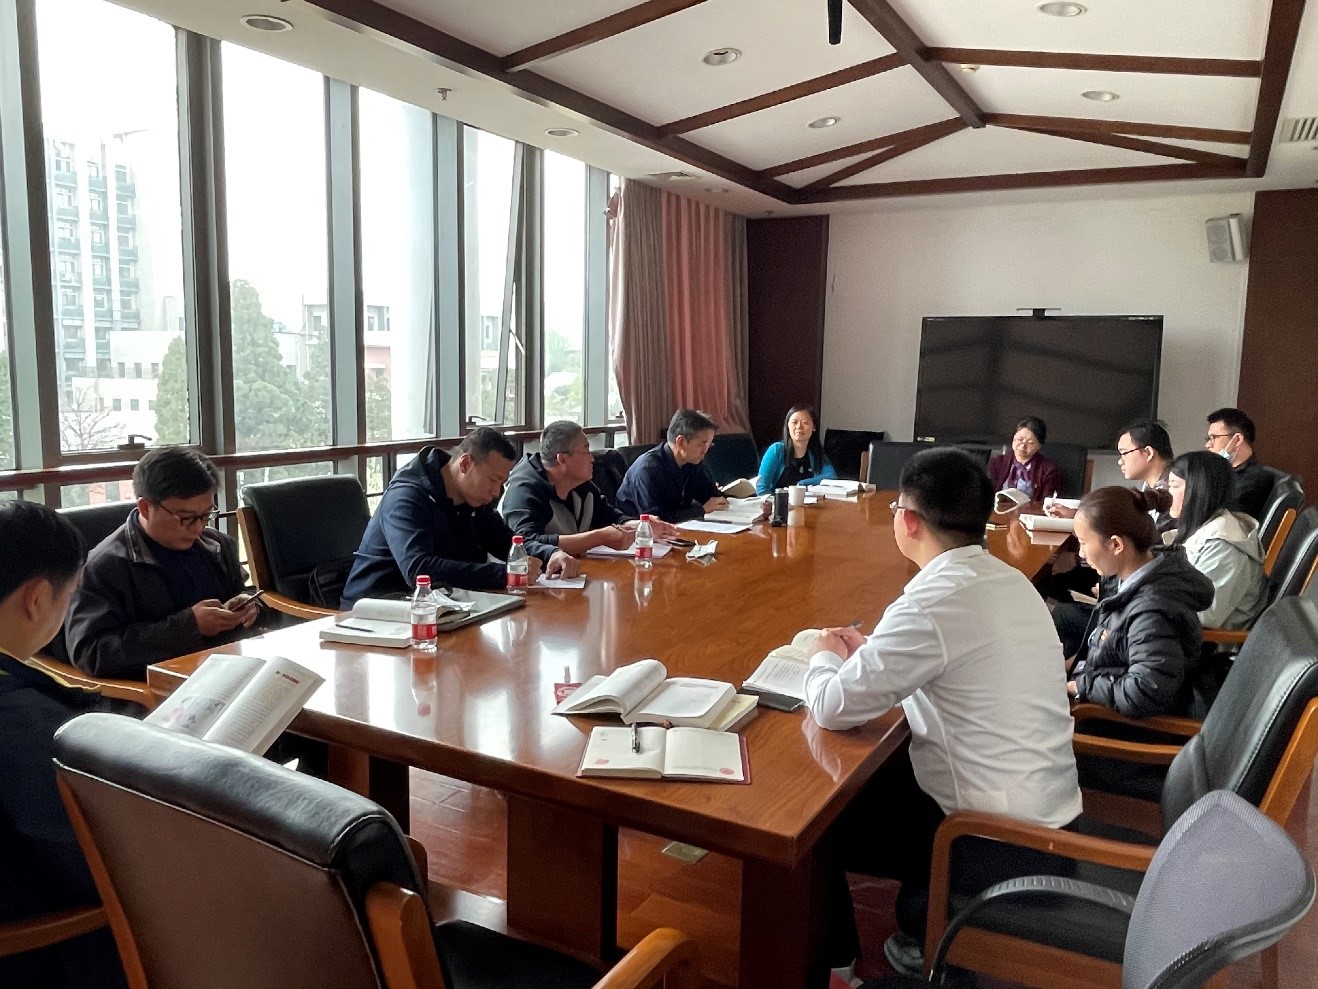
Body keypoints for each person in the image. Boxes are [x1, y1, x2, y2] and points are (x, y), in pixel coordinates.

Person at [803, 448, 1081, 978]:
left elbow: (832, 707)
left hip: (991, 839)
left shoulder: (930, 603)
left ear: (909, 521)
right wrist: (874, 653)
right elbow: (953, 658)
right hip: (1047, 813)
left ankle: (836, 969)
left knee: (816, 825)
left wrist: (822, 656)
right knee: (868, 784)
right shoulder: (1007, 580)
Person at [0, 502, 127, 989]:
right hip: (45, 950)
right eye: (70, 595)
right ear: (36, 599)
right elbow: (99, 856)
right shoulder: (24, 726)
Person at [65, 447, 264, 681]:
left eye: (206, 515)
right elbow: (92, 653)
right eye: (186, 518)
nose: (198, 528)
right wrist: (189, 627)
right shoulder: (104, 568)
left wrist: (250, 605)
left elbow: (246, 594)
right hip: (158, 689)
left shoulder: (217, 546)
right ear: (145, 508)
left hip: (228, 673)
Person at [342, 427, 577, 606]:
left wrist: (552, 554)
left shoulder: (474, 499)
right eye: (493, 480)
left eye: (502, 483)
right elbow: (419, 569)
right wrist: (505, 574)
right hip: (377, 610)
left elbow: (508, 542)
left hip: (442, 606)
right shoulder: (406, 497)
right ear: (465, 464)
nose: (497, 492)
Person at [1069, 487, 1215, 718]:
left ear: (1116, 545)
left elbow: (1145, 692)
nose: (1081, 554)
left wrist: (1082, 686)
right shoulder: (1138, 573)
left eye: (1083, 542)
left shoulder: (1152, 612)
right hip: (1105, 682)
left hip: (1118, 723)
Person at [501, 421, 679, 553]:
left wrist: (641, 526)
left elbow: (610, 516)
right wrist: (600, 537)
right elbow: (525, 543)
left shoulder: (582, 484)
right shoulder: (524, 491)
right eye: (586, 451)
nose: (592, 458)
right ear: (562, 459)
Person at [1167, 451, 1267, 632]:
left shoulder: (1224, 545)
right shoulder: (1208, 527)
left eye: (1174, 486)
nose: (1168, 493)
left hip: (1204, 643)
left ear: (1197, 490)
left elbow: (1204, 614)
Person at [615, 409, 728, 523]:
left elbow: (711, 497)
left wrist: (722, 498)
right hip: (638, 531)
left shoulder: (692, 462)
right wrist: (701, 510)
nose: (705, 450)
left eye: (709, 444)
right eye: (702, 444)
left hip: (681, 526)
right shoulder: (647, 469)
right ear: (680, 442)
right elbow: (654, 520)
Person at [1204, 407, 1272, 520]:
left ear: (1237, 440)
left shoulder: (1255, 480)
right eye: (1208, 438)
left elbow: (1220, 517)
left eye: (1213, 438)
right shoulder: (1224, 474)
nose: (1208, 445)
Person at [754, 404, 837, 495]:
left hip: (807, 503)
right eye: (794, 422)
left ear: (814, 427)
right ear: (788, 427)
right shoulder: (776, 450)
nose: (799, 427)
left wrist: (802, 484)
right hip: (777, 502)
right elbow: (761, 488)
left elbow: (831, 477)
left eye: (805, 423)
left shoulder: (815, 452)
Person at [986, 416, 1060, 501]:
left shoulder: (1048, 471)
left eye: (1030, 443)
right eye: (1020, 439)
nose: (1022, 446)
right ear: (1013, 438)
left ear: (1039, 446)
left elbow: (1048, 501)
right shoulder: (996, 463)